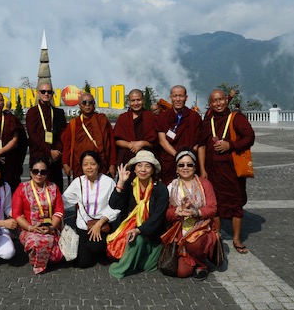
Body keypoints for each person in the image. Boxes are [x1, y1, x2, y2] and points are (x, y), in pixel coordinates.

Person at [199, 89, 255, 254]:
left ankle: (237, 239)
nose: (218, 103)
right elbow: (202, 145)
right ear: (210, 104)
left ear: (226, 100)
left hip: (232, 171)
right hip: (212, 171)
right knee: (215, 204)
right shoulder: (207, 122)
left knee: (236, 203)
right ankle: (217, 235)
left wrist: (230, 145)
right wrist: (202, 169)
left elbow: (250, 137)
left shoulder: (236, 118)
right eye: (214, 101)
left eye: (221, 100)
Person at [106, 150, 168, 279]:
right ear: (134, 169)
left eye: (147, 166)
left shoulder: (160, 189)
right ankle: (119, 269)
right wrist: (120, 182)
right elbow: (114, 205)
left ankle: (142, 252)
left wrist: (140, 229)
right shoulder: (129, 184)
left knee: (148, 267)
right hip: (130, 229)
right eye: (139, 165)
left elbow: (158, 217)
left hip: (153, 232)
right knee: (137, 239)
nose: (143, 170)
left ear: (153, 170)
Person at [165, 149, 218, 280]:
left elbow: (213, 208)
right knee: (182, 273)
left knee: (193, 243)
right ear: (176, 169)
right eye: (181, 165)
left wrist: (196, 212)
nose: (185, 168)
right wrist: (178, 211)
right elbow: (166, 214)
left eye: (189, 164)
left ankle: (201, 265)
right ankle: (192, 255)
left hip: (202, 227)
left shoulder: (205, 184)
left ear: (195, 167)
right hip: (180, 230)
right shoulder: (171, 187)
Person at [62, 151, 120, 268]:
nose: (89, 167)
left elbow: (115, 207)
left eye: (93, 164)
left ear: (98, 165)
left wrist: (100, 223)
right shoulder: (78, 182)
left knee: (95, 247)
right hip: (83, 226)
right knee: (82, 263)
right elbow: (64, 201)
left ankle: (101, 250)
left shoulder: (108, 182)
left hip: (102, 225)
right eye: (85, 164)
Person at [12, 157, 64, 274]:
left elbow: (59, 212)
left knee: (57, 256)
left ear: (47, 173)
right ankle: (39, 264)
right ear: (30, 172)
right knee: (38, 242)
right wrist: (30, 228)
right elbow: (16, 214)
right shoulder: (22, 188)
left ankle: (41, 256)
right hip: (29, 228)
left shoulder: (53, 187)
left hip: (50, 227)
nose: (39, 175)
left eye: (43, 172)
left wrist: (51, 227)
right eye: (35, 171)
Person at [62, 92, 116, 180]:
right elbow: (67, 145)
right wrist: (65, 164)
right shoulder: (74, 124)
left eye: (90, 102)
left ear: (94, 104)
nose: (87, 105)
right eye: (84, 102)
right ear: (79, 105)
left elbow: (111, 143)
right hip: (80, 166)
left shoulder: (102, 120)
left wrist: (112, 164)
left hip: (101, 164)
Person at [155, 85, 202, 184]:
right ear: (170, 98)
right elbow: (162, 141)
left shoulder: (194, 117)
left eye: (181, 96)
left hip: (188, 162)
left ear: (186, 97)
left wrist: (185, 157)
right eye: (175, 96)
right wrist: (177, 156)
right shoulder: (162, 117)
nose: (178, 99)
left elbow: (197, 143)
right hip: (168, 162)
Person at [26, 81, 67, 188]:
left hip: (55, 159)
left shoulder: (58, 113)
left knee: (56, 189)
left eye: (49, 92)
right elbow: (33, 137)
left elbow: (63, 134)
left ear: (52, 94)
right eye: (43, 91)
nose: (46, 94)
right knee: (38, 190)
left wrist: (57, 150)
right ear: (38, 93)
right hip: (38, 156)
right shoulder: (32, 112)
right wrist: (49, 151)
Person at [114, 89, 157, 167]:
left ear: (143, 100)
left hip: (146, 158)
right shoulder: (123, 118)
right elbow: (116, 140)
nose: (136, 103)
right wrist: (129, 145)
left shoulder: (151, 117)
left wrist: (142, 143)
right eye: (133, 100)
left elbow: (156, 141)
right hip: (127, 157)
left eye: (138, 100)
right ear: (129, 102)